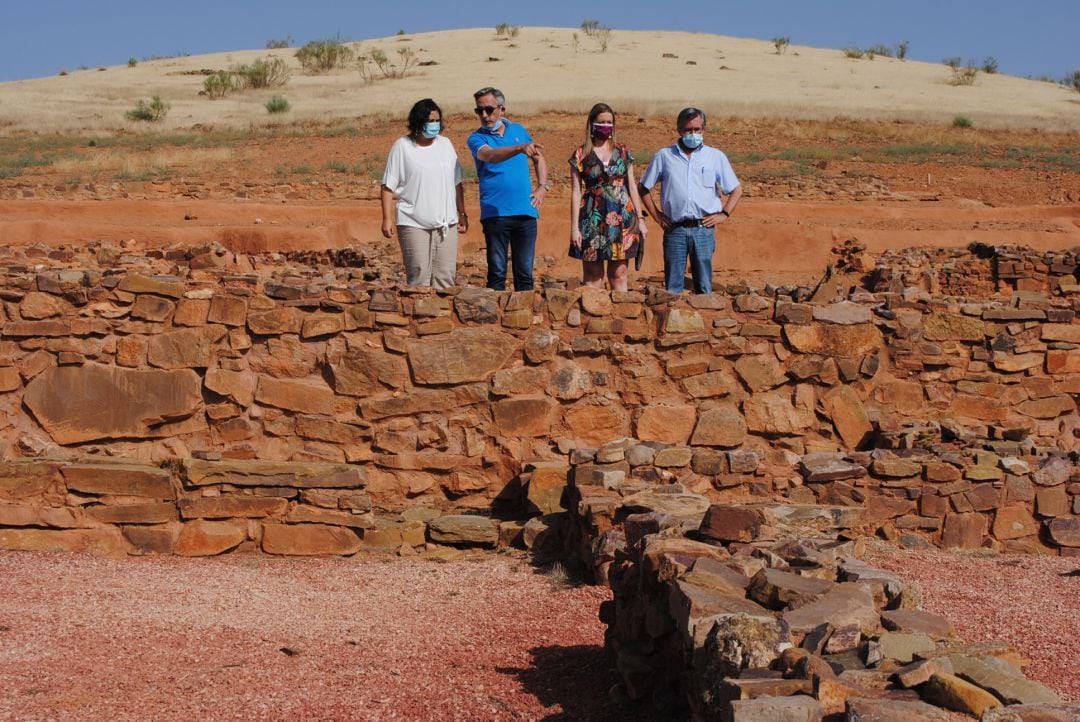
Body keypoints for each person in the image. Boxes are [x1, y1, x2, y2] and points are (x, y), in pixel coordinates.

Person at [639, 107, 742, 294]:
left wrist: (724, 213)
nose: (693, 134)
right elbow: (643, 188)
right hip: (675, 229)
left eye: (697, 130)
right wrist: (657, 215)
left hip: (704, 229)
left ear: (703, 130)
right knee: (672, 287)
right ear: (679, 130)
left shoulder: (715, 157)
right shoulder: (664, 156)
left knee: (704, 285)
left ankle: (704, 317)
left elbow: (736, 189)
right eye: (688, 130)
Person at [467, 87, 549, 291]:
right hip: (495, 213)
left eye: (489, 109)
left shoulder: (519, 131)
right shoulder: (476, 138)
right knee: (497, 272)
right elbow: (490, 155)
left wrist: (543, 186)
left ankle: (526, 318)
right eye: (479, 111)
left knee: (524, 273)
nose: (484, 115)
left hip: (525, 211)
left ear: (502, 109)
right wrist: (519, 148)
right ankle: (494, 320)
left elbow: (538, 158)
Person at [381, 98, 468, 289]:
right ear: (418, 121)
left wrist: (462, 213)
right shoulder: (402, 146)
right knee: (419, 273)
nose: (434, 125)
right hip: (413, 220)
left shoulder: (445, 145)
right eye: (430, 121)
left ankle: (441, 316)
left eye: (437, 121)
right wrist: (387, 218)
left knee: (445, 275)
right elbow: (388, 186)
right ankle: (419, 316)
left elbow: (457, 182)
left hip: (446, 222)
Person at [568, 103, 648, 293]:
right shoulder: (581, 154)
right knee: (593, 276)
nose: (606, 125)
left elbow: (631, 186)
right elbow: (576, 192)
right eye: (601, 122)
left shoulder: (622, 151)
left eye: (609, 122)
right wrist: (574, 228)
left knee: (619, 274)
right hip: (591, 217)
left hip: (623, 218)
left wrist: (641, 220)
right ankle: (594, 318)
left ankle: (621, 317)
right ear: (592, 124)